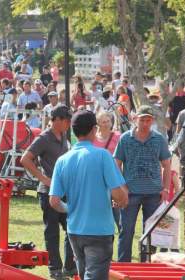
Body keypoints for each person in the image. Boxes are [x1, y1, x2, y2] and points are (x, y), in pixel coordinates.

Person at [49, 110, 128, 280]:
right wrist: (121, 199)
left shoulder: (62, 160)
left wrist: (69, 208)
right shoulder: (103, 156)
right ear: (94, 129)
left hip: (75, 230)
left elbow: (54, 201)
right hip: (99, 231)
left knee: (84, 274)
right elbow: (118, 193)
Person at [21, 105, 77, 279]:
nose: (69, 124)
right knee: (52, 231)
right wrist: (44, 179)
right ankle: (55, 268)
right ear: (57, 120)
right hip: (48, 192)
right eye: (67, 120)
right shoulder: (44, 138)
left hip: (65, 191)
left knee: (71, 229)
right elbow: (25, 159)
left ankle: (70, 266)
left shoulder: (63, 136)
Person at [114, 105, 172, 262]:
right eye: (142, 120)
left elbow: (167, 164)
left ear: (152, 121)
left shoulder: (159, 139)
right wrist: (122, 187)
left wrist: (166, 188)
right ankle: (124, 265)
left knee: (151, 232)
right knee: (126, 230)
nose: (145, 123)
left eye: (148, 120)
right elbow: (116, 163)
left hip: (154, 193)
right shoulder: (125, 138)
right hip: (130, 193)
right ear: (134, 119)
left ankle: (147, 264)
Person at [92, 111, 122, 230]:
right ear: (98, 123)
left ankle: (121, 229)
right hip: (97, 178)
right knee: (100, 206)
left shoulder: (118, 137)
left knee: (116, 207)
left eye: (108, 121)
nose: (106, 124)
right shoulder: (93, 138)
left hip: (113, 177)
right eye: (103, 122)